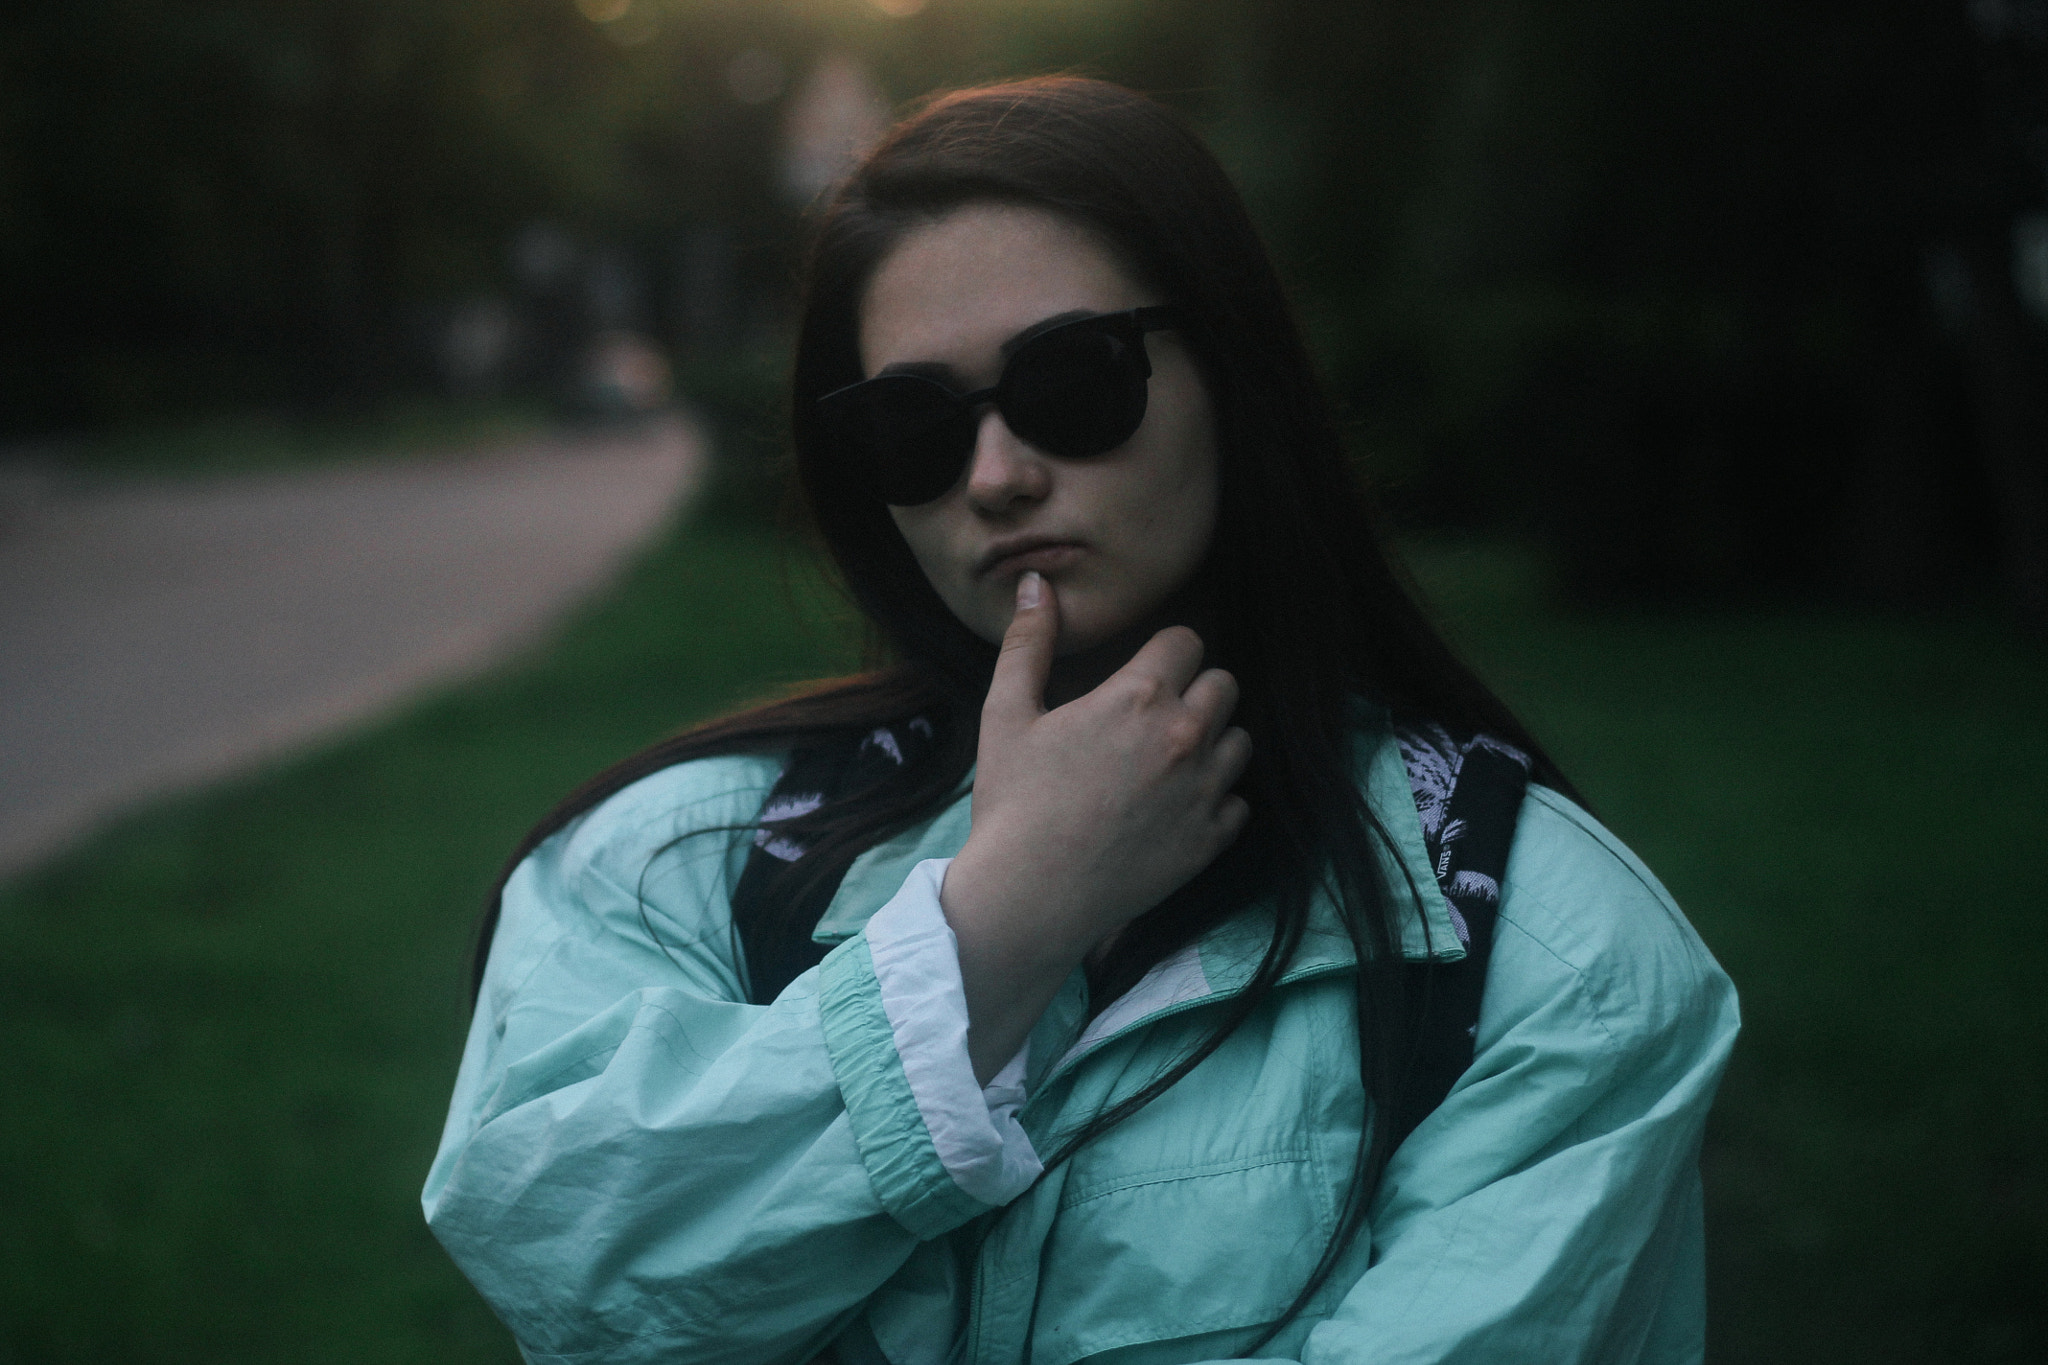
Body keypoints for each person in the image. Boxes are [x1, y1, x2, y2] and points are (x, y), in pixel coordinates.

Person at [422, 77, 1739, 1364]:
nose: (997, 475)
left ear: (1233, 374)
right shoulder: (671, 861)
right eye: (915, 426)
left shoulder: (1557, 958)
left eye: (1072, 380)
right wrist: (998, 929)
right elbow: (567, 1277)